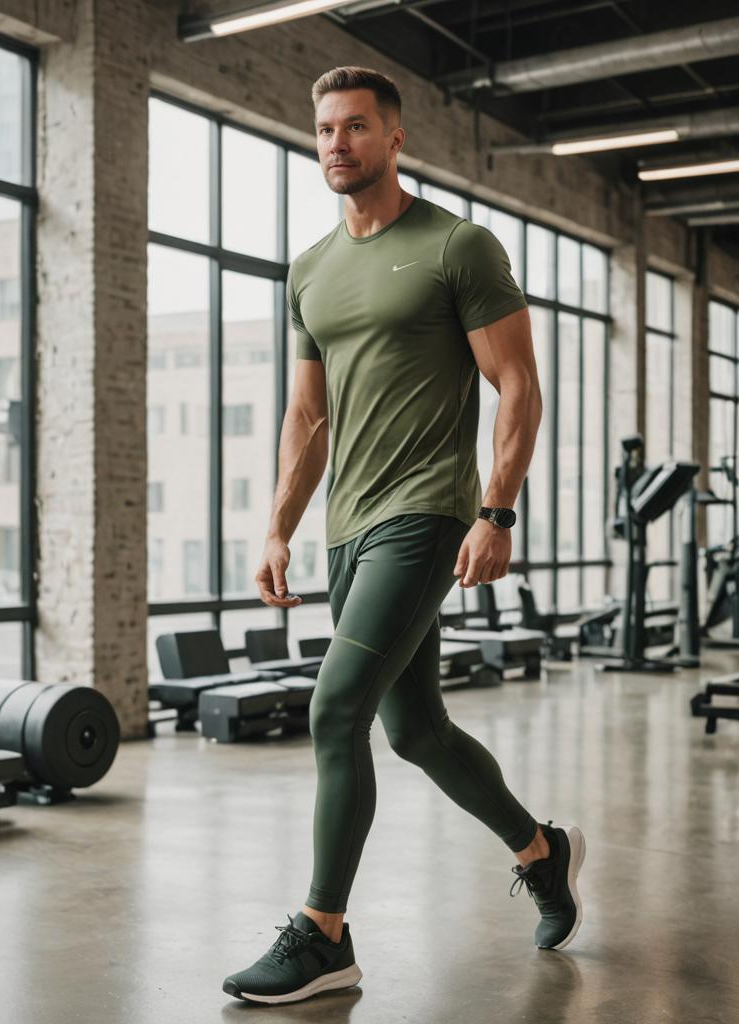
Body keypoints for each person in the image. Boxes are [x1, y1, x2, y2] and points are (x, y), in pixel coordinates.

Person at [222, 65, 586, 1006]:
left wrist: (495, 509)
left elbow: (518, 385)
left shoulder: (457, 247)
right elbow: (307, 418)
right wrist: (276, 529)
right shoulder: (309, 269)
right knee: (417, 730)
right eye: (324, 130)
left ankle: (323, 936)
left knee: (333, 708)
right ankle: (543, 853)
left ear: (395, 139)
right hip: (349, 527)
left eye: (355, 127)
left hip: (425, 514)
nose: (335, 143)